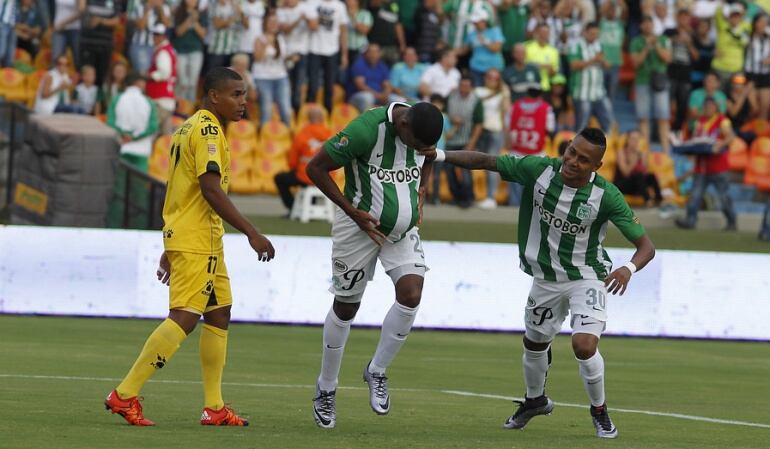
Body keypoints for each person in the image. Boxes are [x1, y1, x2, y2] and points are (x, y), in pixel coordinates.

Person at [434, 126, 656, 439]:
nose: (573, 161)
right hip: (546, 278)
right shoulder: (539, 171)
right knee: (534, 342)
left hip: (587, 277)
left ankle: (599, 411)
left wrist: (628, 269)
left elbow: (646, 247)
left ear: (597, 166)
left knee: (583, 344)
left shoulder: (606, 195)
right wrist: (439, 154)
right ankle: (534, 400)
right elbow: (486, 161)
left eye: (583, 159)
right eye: (571, 152)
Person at [104, 67, 276, 427]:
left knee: (219, 312)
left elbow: (180, 190)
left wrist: (171, 242)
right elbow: (210, 189)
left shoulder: (186, 127)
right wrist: (251, 231)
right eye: (236, 94)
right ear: (214, 95)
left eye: (244, 95)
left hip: (198, 237)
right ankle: (124, 394)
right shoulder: (210, 131)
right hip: (198, 239)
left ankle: (214, 407)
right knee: (185, 315)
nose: (243, 102)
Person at [305, 101, 443, 429]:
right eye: (415, 145)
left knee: (411, 294)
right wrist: (352, 212)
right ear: (403, 125)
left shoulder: (422, 128)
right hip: (358, 226)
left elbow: (430, 156)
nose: (419, 150)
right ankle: (326, 387)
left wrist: (422, 187)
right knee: (346, 306)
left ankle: (377, 370)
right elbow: (316, 168)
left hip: (402, 232)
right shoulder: (365, 130)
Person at [675, 97, 737, 231]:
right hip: (701, 166)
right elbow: (696, 140)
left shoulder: (722, 120)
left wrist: (720, 144)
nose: (708, 109)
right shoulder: (700, 122)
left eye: (711, 106)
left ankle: (731, 221)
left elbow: (731, 136)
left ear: (715, 108)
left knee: (723, 196)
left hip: (718, 166)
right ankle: (690, 220)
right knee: (695, 195)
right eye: (706, 106)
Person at [274, 105, 334, 212]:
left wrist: (294, 168)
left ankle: (293, 208)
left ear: (308, 119)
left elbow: (292, 161)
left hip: (306, 176)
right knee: (316, 178)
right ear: (322, 118)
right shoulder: (331, 134)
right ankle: (312, 209)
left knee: (280, 178)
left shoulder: (302, 133)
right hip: (327, 177)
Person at [506, 82, 554, 206]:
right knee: (535, 187)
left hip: (516, 151)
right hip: (536, 153)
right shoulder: (546, 107)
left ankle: (512, 210)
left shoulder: (515, 106)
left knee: (515, 185)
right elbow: (550, 128)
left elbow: (507, 125)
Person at [630, 15, 672, 153]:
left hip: (660, 81)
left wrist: (656, 46)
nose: (648, 26)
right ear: (641, 26)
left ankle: (666, 151)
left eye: (650, 23)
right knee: (643, 117)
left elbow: (668, 58)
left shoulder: (663, 40)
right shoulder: (636, 42)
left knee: (663, 117)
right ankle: (645, 150)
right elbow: (636, 63)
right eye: (645, 23)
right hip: (642, 81)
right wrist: (647, 47)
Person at [106, 70, 159, 173]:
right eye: (143, 81)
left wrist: (123, 134)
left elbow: (110, 122)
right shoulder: (149, 102)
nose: (145, 84)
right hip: (141, 151)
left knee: (119, 187)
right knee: (138, 187)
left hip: (120, 148)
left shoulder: (116, 99)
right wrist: (134, 137)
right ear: (138, 82)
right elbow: (153, 126)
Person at [568, 21, 614, 132]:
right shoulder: (576, 46)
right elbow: (573, 65)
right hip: (582, 93)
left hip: (599, 92)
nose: (594, 37)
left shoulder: (600, 45)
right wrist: (594, 60)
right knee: (582, 124)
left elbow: (609, 65)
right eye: (592, 34)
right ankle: (578, 147)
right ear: (585, 33)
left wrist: (602, 61)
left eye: (596, 34)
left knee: (608, 120)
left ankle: (607, 146)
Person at [474, 68, 510, 209]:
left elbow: (506, 109)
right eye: (490, 77)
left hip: (495, 131)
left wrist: (504, 91)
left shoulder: (502, 93)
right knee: (476, 163)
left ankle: (490, 197)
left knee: (491, 165)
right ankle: (476, 195)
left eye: (495, 78)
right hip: (481, 130)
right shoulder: (478, 91)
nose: (492, 80)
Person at [445, 76, 483, 208]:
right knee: (449, 170)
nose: (464, 88)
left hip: (466, 139)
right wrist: (451, 119)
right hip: (451, 139)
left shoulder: (476, 101)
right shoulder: (451, 97)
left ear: (471, 87)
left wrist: (472, 143)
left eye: (467, 86)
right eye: (462, 85)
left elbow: (479, 124)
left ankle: (468, 197)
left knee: (465, 170)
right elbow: (443, 113)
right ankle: (456, 196)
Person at [306, 0, 349, 114]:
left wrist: (344, 54)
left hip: (332, 51)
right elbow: (310, 25)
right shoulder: (312, 2)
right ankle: (309, 114)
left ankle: (327, 115)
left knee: (329, 87)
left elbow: (343, 31)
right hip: (314, 49)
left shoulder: (340, 6)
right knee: (313, 86)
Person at [252, 11, 291, 126]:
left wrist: (291, 58)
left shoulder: (281, 38)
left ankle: (287, 134)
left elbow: (281, 58)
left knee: (285, 109)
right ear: (265, 23)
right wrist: (266, 45)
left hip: (280, 76)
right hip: (263, 77)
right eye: (271, 22)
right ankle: (264, 137)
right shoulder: (259, 39)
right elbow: (258, 58)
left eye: (276, 22)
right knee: (266, 110)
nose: (274, 24)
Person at [278, 0, 313, 113]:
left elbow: (314, 26)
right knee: (287, 84)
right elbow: (286, 30)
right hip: (286, 53)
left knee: (298, 85)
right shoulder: (281, 11)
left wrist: (307, 20)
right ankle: (287, 110)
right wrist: (299, 20)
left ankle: (296, 111)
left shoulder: (306, 7)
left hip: (301, 52)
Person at [667, 8, 698, 134]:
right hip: (670, 72)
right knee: (666, 102)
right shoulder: (669, 32)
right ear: (677, 18)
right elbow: (661, 47)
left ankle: (677, 130)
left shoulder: (694, 35)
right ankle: (663, 129)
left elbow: (697, 57)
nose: (684, 20)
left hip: (685, 74)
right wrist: (674, 40)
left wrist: (689, 44)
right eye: (681, 17)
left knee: (682, 104)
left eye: (686, 17)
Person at [614, 130, 662, 207]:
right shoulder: (622, 152)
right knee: (638, 176)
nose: (635, 141)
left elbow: (644, 173)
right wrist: (633, 162)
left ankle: (659, 199)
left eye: (637, 139)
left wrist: (642, 159)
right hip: (622, 184)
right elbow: (625, 173)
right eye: (633, 139)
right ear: (628, 140)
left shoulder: (639, 153)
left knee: (651, 176)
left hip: (636, 184)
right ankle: (648, 200)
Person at [172, 0, 208, 103]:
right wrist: (189, 19)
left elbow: (203, 34)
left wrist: (195, 21)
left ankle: (190, 106)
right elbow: (179, 32)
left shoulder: (201, 13)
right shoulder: (179, 12)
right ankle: (180, 105)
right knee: (182, 81)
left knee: (192, 82)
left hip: (195, 51)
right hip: (180, 51)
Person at [146, 23, 178, 135]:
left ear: (164, 36)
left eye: (158, 35)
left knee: (152, 133)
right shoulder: (167, 49)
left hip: (160, 100)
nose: (155, 37)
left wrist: (150, 76)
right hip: (166, 100)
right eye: (154, 34)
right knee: (166, 137)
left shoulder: (163, 51)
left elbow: (165, 73)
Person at [461, 8, 505, 86]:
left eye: (477, 22)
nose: (475, 24)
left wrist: (485, 41)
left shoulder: (495, 31)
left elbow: (497, 48)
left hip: (494, 69)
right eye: (474, 22)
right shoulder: (471, 34)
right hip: (476, 69)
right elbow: (464, 50)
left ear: (484, 21)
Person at [81, 0, 121, 85]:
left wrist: (100, 21)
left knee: (102, 73)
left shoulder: (114, 2)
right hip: (88, 42)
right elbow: (81, 10)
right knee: (87, 72)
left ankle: (99, 96)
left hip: (105, 43)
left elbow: (117, 20)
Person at [128, 0, 171, 76]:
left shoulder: (165, 8)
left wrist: (160, 9)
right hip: (141, 45)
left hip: (159, 47)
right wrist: (147, 10)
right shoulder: (140, 7)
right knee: (143, 74)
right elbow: (141, 26)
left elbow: (167, 26)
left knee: (155, 73)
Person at [347, 43, 392, 112]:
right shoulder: (359, 64)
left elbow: (387, 84)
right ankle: (367, 121)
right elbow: (360, 86)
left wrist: (385, 94)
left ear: (379, 54)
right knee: (368, 97)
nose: (373, 55)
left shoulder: (381, 65)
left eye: (376, 52)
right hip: (357, 95)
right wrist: (378, 96)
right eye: (371, 52)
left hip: (378, 95)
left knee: (397, 100)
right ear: (366, 53)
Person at [598, 0, 626, 100]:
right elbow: (601, 12)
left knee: (612, 90)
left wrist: (620, 3)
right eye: (610, 10)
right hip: (602, 62)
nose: (612, 12)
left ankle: (609, 111)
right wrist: (609, 3)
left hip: (615, 62)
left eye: (614, 10)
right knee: (600, 89)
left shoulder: (620, 24)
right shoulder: (601, 23)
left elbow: (625, 13)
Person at [744, 13, 770, 120]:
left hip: (765, 74)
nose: (763, 24)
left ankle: (761, 135)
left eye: (765, 22)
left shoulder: (768, 37)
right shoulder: (748, 36)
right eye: (760, 21)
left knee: (765, 108)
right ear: (755, 23)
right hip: (751, 74)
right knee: (754, 108)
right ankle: (748, 131)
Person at [366, 0, 406, 66]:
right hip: (377, 45)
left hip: (392, 46)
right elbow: (373, 3)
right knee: (378, 69)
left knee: (394, 68)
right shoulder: (376, 3)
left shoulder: (394, 5)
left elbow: (398, 24)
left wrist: (402, 43)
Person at [524, 22, 559, 93]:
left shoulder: (554, 51)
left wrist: (551, 69)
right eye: (542, 32)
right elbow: (522, 65)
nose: (544, 35)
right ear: (536, 33)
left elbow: (553, 74)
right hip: (528, 86)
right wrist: (541, 65)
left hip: (544, 87)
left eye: (546, 33)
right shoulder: (526, 47)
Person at [0, 0, 16, 67]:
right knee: (1, 51)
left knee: (10, 54)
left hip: (11, 24)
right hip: (2, 23)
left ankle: (6, 72)